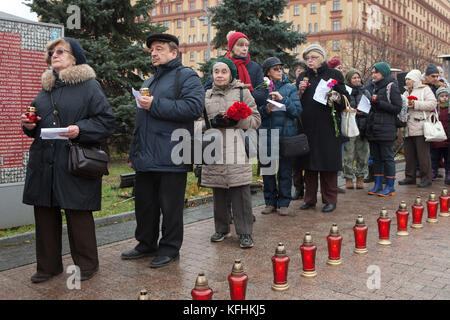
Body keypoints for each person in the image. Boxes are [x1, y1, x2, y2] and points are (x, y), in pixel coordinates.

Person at [21, 37, 115, 283]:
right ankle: (48, 267)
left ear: (75, 58)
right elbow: (36, 123)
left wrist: (79, 129)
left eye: (61, 51)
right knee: (44, 213)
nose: (55, 54)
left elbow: (106, 121)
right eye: (52, 52)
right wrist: (29, 125)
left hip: (74, 160)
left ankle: (86, 265)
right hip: (44, 161)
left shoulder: (89, 87)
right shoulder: (46, 89)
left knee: (77, 212)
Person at [121, 33, 204, 268]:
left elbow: (193, 107)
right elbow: (141, 121)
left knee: (170, 206)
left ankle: (169, 248)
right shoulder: (148, 82)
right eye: (151, 51)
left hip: (172, 153)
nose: (154, 54)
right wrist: (133, 152)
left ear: (173, 53)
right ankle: (146, 244)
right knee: (145, 204)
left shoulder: (186, 76)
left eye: (159, 49)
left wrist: (155, 104)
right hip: (146, 156)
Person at [201, 57, 261, 248]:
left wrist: (239, 120)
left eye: (223, 71)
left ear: (231, 74)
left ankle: (245, 233)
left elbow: (256, 119)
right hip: (214, 147)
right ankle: (221, 228)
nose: (219, 75)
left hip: (237, 147)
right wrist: (210, 123)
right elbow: (195, 121)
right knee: (218, 189)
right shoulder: (206, 95)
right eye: (216, 71)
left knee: (240, 190)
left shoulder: (243, 92)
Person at [296, 44, 348, 213]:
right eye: (307, 58)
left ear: (322, 58)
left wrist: (335, 96)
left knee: (328, 164)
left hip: (328, 126)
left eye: (313, 57)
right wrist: (299, 92)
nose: (310, 61)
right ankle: (309, 199)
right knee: (309, 164)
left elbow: (345, 100)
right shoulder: (303, 77)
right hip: (308, 126)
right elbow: (297, 102)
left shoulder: (334, 74)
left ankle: (330, 200)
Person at [259, 57, 302, 216]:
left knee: (285, 170)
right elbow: (256, 112)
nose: (279, 71)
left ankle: (284, 202)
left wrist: (283, 100)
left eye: (280, 68)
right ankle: (270, 202)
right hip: (266, 134)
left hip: (285, 134)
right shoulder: (261, 88)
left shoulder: (290, 88)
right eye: (275, 69)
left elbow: (297, 111)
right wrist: (267, 109)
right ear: (268, 72)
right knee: (268, 170)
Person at [366, 62, 403, 197]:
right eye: (373, 72)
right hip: (374, 128)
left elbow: (397, 108)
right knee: (376, 158)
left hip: (386, 128)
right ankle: (377, 184)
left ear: (384, 73)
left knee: (387, 157)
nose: (373, 75)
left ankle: (390, 186)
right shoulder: (375, 87)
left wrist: (379, 103)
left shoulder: (391, 86)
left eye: (376, 72)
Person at [205, 31, 267, 109]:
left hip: (248, 112)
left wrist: (241, 95)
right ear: (232, 47)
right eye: (240, 45)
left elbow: (262, 95)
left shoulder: (254, 67)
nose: (245, 48)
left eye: (247, 45)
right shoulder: (221, 65)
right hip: (222, 111)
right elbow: (208, 90)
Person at [397, 70, 436, 188]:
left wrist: (416, 104)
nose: (407, 81)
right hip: (408, 128)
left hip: (420, 127)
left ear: (415, 79)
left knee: (423, 155)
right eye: (406, 80)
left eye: (409, 79)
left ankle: (426, 178)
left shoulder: (425, 90)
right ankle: (410, 177)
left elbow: (432, 104)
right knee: (409, 155)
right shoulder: (405, 92)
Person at [342, 68, 371, 189]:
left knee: (363, 153)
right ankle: (348, 177)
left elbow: (370, 107)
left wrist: (363, 112)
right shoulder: (345, 91)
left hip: (363, 125)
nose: (357, 80)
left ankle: (360, 177)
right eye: (354, 78)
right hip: (350, 124)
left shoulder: (365, 91)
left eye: (358, 77)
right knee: (348, 153)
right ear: (349, 79)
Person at [289, 60, 307, 200]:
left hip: (308, 127)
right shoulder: (291, 88)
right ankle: (298, 188)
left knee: (308, 161)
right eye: (297, 69)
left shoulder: (311, 87)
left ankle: (309, 189)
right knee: (295, 162)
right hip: (295, 127)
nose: (299, 71)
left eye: (302, 69)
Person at [430, 87, 450, 184]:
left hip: (448, 137)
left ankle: (448, 173)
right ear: (438, 98)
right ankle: (433, 171)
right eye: (442, 96)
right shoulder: (435, 109)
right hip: (437, 137)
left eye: (446, 96)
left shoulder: (449, 108)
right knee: (434, 157)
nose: (444, 98)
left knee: (448, 158)